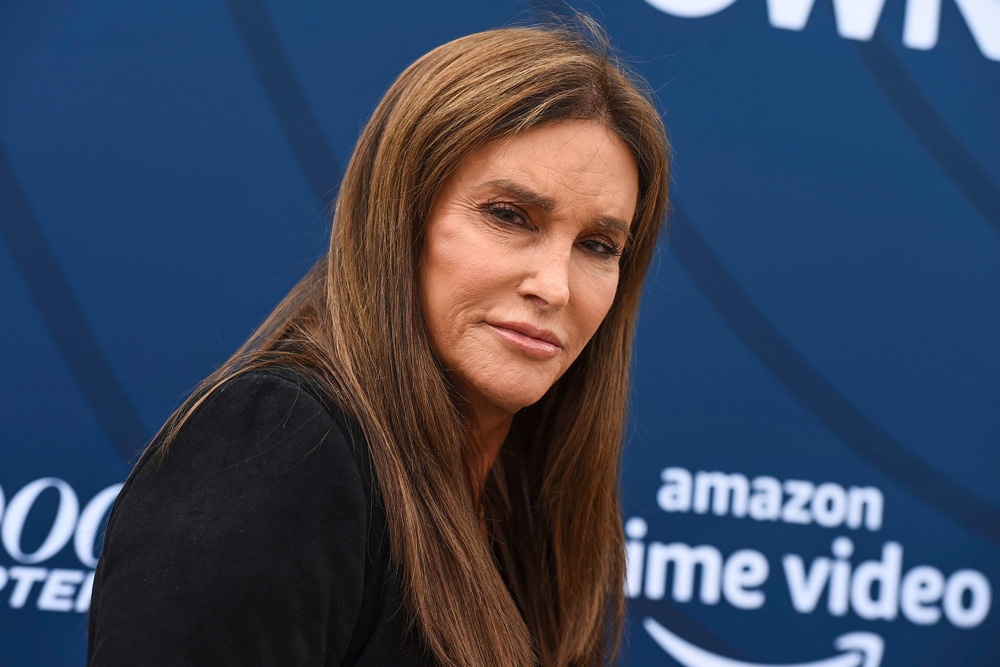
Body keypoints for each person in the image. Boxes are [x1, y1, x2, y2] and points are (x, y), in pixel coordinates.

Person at [87, 18, 669, 667]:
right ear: (399, 217)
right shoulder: (282, 445)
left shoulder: (519, 515)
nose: (555, 286)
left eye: (597, 246)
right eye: (509, 216)